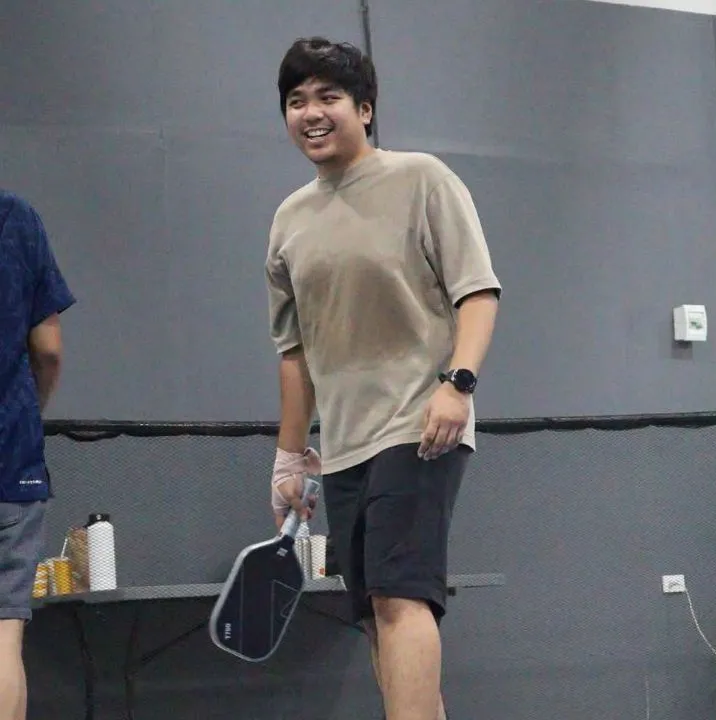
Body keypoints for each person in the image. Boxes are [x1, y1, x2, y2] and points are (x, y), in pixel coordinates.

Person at [265, 37, 501, 720]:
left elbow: (478, 292)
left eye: (328, 97)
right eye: (296, 101)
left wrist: (457, 384)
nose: (311, 113)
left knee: (401, 597)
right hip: (343, 447)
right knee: (375, 615)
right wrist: (288, 457)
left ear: (364, 109)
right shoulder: (288, 221)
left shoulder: (422, 179)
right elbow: (294, 351)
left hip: (419, 426)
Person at [0, 190, 75, 720]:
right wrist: (28, 417)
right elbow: (48, 351)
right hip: (11, 460)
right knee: (4, 636)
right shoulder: (17, 218)